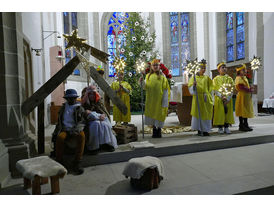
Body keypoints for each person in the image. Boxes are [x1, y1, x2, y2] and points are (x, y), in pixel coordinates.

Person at [52, 89, 86, 175]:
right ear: (67, 99)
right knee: (60, 138)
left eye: (73, 98)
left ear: (75, 98)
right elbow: (59, 121)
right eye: (69, 98)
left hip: (75, 129)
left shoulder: (79, 108)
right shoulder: (63, 108)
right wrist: (57, 131)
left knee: (82, 136)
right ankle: (59, 160)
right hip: (65, 129)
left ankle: (77, 162)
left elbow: (81, 121)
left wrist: (76, 130)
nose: (71, 100)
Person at [81, 86, 118, 154]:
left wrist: (103, 115)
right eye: (90, 94)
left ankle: (107, 143)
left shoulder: (99, 102)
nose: (92, 96)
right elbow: (82, 114)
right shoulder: (84, 103)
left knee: (105, 125)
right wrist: (87, 113)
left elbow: (104, 112)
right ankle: (93, 147)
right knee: (95, 125)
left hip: (100, 120)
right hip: (89, 122)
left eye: (93, 94)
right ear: (87, 95)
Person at [140, 59, 170, 138]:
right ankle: (154, 130)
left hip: (159, 100)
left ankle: (159, 130)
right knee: (152, 116)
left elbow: (165, 89)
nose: (156, 67)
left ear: (159, 66)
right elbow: (144, 87)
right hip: (151, 100)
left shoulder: (162, 76)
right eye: (154, 65)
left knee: (159, 115)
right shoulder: (148, 76)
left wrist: (165, 101)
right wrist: (142, 81)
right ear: (151, 67)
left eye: (157, 65)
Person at [188, 59, 213, 136]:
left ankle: (205, 130)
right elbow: (190, 88)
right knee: (198, 114)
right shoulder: (194, 77)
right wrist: (194, 85)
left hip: (205, 98)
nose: (203, 70)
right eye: (202, 68)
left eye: (204, 68)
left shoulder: (206, 78)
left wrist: (208, 94)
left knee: (206, 114)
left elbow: (210, 87)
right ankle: (199, 129)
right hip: (198, 98)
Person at [213, 62, 235, 134]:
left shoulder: (229, 78)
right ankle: (220, 127)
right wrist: (221, 96)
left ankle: (226, 127)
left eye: (225, 67)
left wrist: (228, 98)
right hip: (220, 99)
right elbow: (215, 89)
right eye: (222, 67)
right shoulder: (216, 79)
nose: (224, 68)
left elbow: (232, 88)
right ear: (219, 69)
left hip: (228, 99)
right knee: (220, 113)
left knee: (227, 113)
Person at [235, 64, 254, 131]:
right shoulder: (238, 78)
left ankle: (246, 124)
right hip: (242, 96)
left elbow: (247, 86)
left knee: (246, 110)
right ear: (239, 71)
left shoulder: (245, 77)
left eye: (245, 69)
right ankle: (241, 125)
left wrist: (250, 88)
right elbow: (240, 86)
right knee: (242, 110)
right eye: (243, 70)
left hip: (246, 97)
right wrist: (249, 89)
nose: (245, 71)